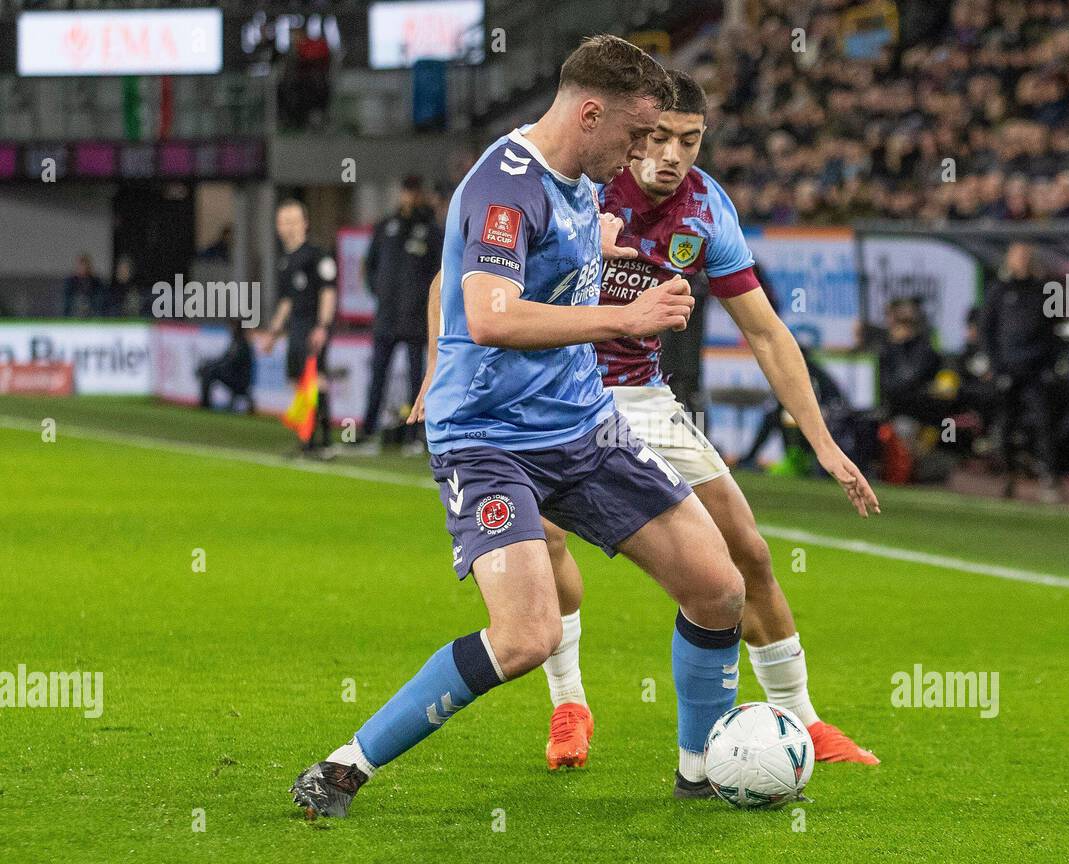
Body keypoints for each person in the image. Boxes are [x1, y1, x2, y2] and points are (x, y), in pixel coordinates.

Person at [291, 36, 755, 817]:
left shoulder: (581, 181)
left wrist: (617, 256)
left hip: (584, 428)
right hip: (488, 438)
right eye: (636, 136)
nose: (643, 155)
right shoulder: (505, 190)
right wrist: (626, 314)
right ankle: (344, 765)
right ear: (590, 113)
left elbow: (504, 267)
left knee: (718, 587)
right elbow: (492, 314)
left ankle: (703, 768)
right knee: (525, 638)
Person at [414, 70, 882, 773]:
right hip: (539, 404)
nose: (671, 156)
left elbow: (764, 331)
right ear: (630, 129)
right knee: (548, 552)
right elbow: (454, 286)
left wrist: (822, 440)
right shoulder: (578, 174)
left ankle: (803, 721)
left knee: (745, 552)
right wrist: (433, 373)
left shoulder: (705, 209)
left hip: (640, 398)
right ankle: (569, 704)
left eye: (690, 141)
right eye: (658, 137)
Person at [353, 174, 441, 454]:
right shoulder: (386, 226)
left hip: (416, 318)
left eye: (414, 192)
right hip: (387, 315)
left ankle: (417, 434)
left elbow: (440, 272)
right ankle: (368, 430)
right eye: (406, 191)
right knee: (378, 374)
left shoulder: (431, 229)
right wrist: (379, 292)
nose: (409, 197)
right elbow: (369, 265)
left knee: (419, 378)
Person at [979, 242, 1059, 499]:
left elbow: (1053, 331)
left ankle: (1050, 477)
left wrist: (1050, 363)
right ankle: (1008, 476)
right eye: (1017, 256)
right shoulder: (999, 291)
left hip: (1036, 369)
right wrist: (994, 364)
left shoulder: (1043, 290)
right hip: (1007, 369)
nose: (1022, 261)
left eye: (1026, 256)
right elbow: (986, 330)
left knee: (1044, 422)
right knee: (1006, 424)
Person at [260, 199, 338, 457]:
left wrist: (323, 326)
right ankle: (307, 438)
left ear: (305, 223)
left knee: (316, 380)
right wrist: (273, 333)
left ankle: (322, 440)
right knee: (298, 381)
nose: (287, 227)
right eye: (283, 222)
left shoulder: (318, 255)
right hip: (296, 327)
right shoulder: (286, 261)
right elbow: (287, 301)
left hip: (314, 327)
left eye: (293, 221)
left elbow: (328, 292)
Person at [197, 319, 254, 412]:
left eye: (233, 326)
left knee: (210, 372)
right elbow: (224, 359)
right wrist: (209, 364)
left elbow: (230, 362)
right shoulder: (235, 342)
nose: (231, 329)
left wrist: (212, 366)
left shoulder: (242, 344)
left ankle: (205, 404)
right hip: (233, 376)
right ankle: (205, 403)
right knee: (208, 370)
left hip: (240, 381)